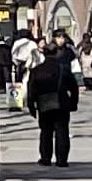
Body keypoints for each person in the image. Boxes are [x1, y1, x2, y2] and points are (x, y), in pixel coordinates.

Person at [27, 35, 82, 165]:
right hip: (62, 102)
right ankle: (62, 160)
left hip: (43, 103)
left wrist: (31, 106)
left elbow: (31, 90)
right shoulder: (63, 69)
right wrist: (73, 103)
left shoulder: (36, 70)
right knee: (62, 131)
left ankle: (46, 158)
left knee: (46, 131)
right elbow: (74, 87)